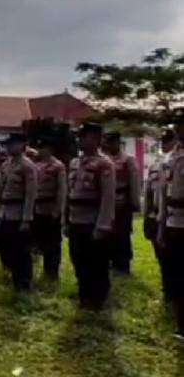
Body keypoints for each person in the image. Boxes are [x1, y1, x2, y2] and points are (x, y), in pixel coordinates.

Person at [66, 122, 115, 310]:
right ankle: (84, 295)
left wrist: (102, 225)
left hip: (92, 221)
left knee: (97, 263)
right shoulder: (75, 163)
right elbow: (70, 194)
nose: (79, 140)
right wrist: (66, 220)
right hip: (76, 220)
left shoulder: (104, 163)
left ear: (95, 138)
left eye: (83, 136)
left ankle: (98, 299)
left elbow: (108, 197)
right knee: (79, 260)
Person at [0, 133, 38, 291]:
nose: (9, 147)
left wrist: (27, 218)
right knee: (8, 248)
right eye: (8, 144)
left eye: (12, 144)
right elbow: (2, 190)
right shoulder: (6, 165)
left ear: (22, 145)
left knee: (22, 251)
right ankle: (15, 278)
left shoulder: (27, 166)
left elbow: (30, 194)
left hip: (20, 211)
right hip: (7, 211)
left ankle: (24, 281)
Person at [158, 110, 184, 337]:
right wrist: (161, 225)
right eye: (177, 125)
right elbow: (164, 193)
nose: (179, 129)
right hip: (174, 221)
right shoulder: (171, 158)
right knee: (176, 273)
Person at [104, 132, 141, 275]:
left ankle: (123, 263)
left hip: (123, 201)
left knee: (122, 234)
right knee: (108, 233)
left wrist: (134, 201)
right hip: (108, 203)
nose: (110, 145)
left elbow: (134, 181)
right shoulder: (104, 160)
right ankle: (110, 261)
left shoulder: (127, 160)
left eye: (112, 142)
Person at [145, 128, 176, 300]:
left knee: (172, 255)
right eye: (162, 141)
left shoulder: (175, 162)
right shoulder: (156, 165)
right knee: (161, 255)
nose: (165, 145)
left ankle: (173, 290)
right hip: (156, 214)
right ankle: (167, 288)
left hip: (173, 215)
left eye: (168, 141)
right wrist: (147, 212)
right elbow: (149, 191)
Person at [34, 136, 67, 278]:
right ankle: (45, 268)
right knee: (40, 240)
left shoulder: (57, 166)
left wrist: (58, 209)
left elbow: (61, 190)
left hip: (51, 206)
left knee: (52, 242)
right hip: (38, 207)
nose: (41, 151)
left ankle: (52, 270)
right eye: (40, 148)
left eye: (44, 148)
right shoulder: (36, 166)